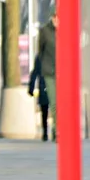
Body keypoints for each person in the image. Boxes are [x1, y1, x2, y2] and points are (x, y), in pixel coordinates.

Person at [38, 13, 58, 141]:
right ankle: (57, 130)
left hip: (63, 71)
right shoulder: (45, 31)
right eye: (55, 16)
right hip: (49, 72)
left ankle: (58, 128)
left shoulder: (67, 30)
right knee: (54, 102)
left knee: (62, 103)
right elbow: (40, 51)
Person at [28, 54, 50, 141]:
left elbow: (34, 73)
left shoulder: (40, 57)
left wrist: (31, 87)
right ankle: (51, 131)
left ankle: (45, 132)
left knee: (44, 112)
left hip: (44, 87)